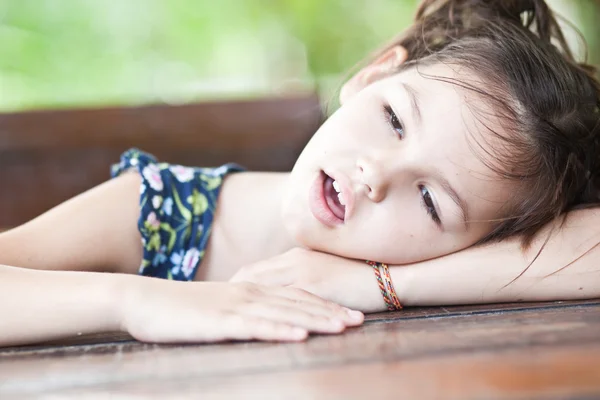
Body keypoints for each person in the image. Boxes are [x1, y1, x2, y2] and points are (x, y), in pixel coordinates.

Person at [1, 0, 599, 347]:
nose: (375, 175)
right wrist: (134, 302)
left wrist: (380, 285)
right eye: (393, 119)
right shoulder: (159, 211)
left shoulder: (433, 271)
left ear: (480, 245)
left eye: (430, 201)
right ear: (370, 77)